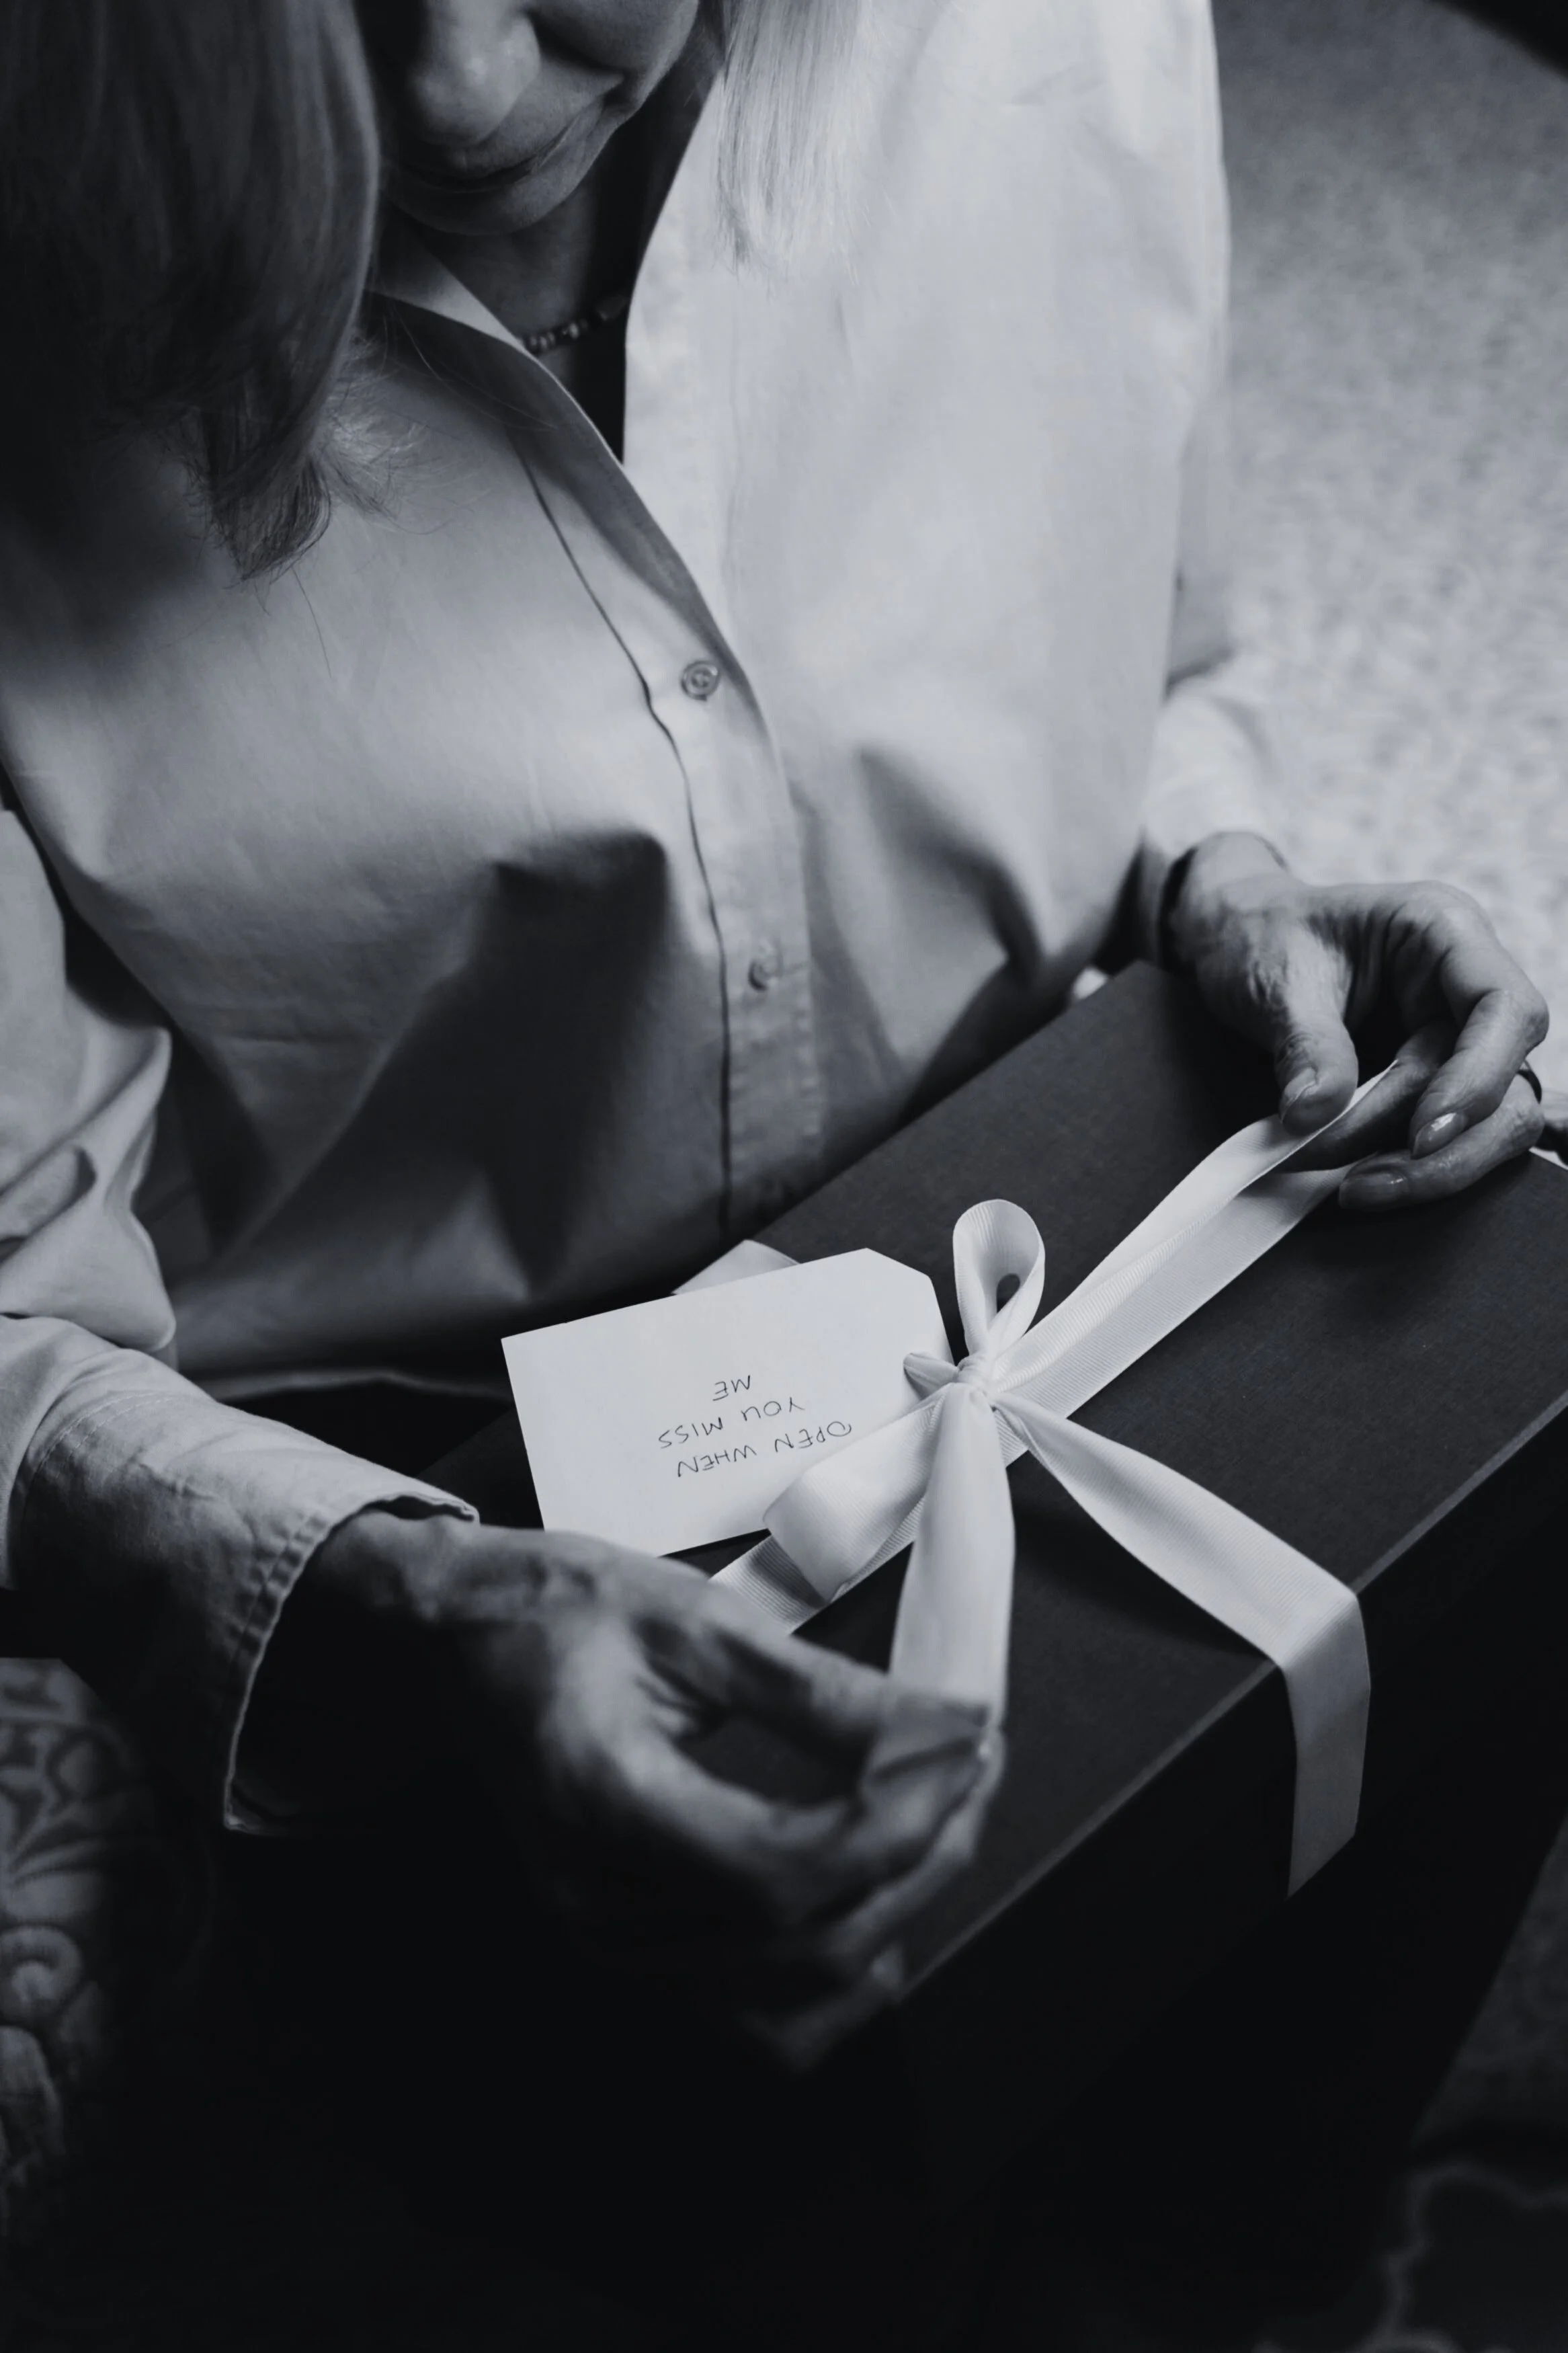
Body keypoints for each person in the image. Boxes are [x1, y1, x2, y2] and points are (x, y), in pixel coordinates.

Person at [0, 0, 1557, 2339]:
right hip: (411, 1483)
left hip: (1085, 1174)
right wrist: (419, 1612)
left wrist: (1211, 867)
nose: (458, 100)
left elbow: (1157, 630)